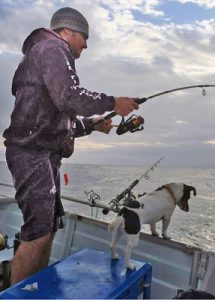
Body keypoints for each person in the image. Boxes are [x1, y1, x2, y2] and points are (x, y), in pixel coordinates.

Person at [2, 7, 139, 285]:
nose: (86, 44)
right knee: (38, 232)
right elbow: (69, 96)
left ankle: (34, 287)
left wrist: (94, 124)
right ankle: (17, 293)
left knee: (48, 229)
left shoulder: (46, 54)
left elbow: (62, 122)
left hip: (45, 154)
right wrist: (114, 103)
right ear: (68, 31)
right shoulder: (52, 47)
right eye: (84, 37)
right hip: (33, 153)